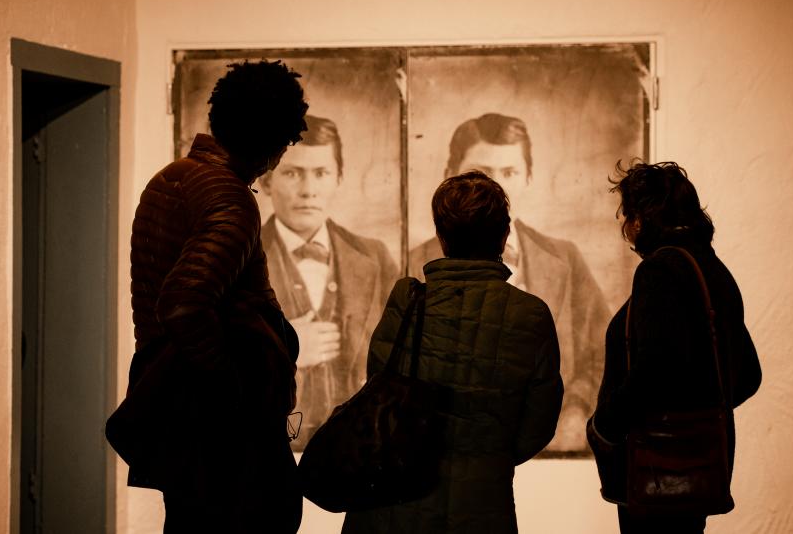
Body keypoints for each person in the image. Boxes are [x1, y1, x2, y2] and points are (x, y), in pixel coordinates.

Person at [127, 59, 308, 533]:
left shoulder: (171, 177)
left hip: (184, 419)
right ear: (274, 141)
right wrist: (235, 393)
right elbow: (182, 304)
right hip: (223, 435)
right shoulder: (230, 198)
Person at [343, 171, 563, 533]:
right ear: (505, 235)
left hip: (393, 502)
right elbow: (538, 423)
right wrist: (487, 459)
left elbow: (378, 388)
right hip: (481, 506)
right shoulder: (530, 314)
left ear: (441, 236)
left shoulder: (407, 301)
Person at [409, 112, 608, 452]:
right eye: (481, 174)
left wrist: (576, 408)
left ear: (528, 177)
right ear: (450, 177)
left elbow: (600, 351)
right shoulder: (415, 264)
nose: (495, 188)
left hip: (553, 451)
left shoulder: (566, 258)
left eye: (510, 172)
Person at [587, 161, 762, 534]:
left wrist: (604, 427)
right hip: (697, 464)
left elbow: (654, 368)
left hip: (657, 466)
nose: (626, 227)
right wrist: (699, 415)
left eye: (627, 215)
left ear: (641, 219)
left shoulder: (660, 270)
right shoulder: (713, 270)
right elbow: (748, 375)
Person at [259, 115, 398, 449]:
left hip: (361, 452)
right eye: (292, 173)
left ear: (339, 178)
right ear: (266, 180)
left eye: (321, 173)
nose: (308, 190)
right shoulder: (237, 260)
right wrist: (285, 351)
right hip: (269, 451)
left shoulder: (376, 258)